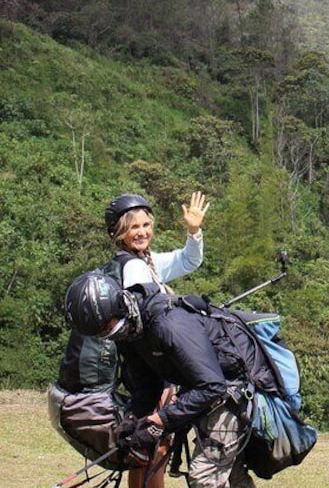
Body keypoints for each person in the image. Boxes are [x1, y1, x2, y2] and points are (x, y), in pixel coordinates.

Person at [50, 192, 210, 488]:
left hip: (125, 372)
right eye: (134, 227)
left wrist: (193, 230)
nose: (142, 232)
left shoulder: (140, 262)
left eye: (147, 225)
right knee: (157, 444)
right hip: (140, 370)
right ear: (119, 233)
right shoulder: (133, 268)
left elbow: (188, 260)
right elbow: (150, 327)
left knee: (142, 449)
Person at [63, 272, 271, 488]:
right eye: (103, 334)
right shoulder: (131, 332)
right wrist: (133, 420)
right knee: (231, 475)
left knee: (205, 478)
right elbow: (146, 385)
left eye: (109, 328)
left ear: (120, 307)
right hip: (205, 391)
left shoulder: (169, 325)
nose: (111, 335)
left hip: (232, 391)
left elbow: (213, 386)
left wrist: (161, 420)